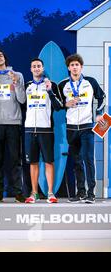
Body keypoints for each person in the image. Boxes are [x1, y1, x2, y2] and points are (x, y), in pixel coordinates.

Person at [58, 54, 106, 204]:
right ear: (68, 68)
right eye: (72, 65)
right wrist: (66, 104)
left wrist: (98, 114)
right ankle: (80, 193)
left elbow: (102, 97)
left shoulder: (90, 82)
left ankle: (91, 193)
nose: (74, 67)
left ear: (81, 67)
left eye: (77, 65)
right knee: (77, 161)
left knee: (88, 159)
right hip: (71, 127)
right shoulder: (63, 85)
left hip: (86, 126)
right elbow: (58, 103)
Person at [0, 48, 26, 203]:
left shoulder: (17, 75)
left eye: (1, 55)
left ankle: (18, 192)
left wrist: (16, 83)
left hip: (13, 122)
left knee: (15, 159)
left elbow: (22, 100)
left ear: (4, 58)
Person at [23, 58, 63, 204]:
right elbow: (22, 104)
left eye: (39, 66)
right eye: (34, 66)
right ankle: (34, 193)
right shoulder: (27, 86)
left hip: (45, 129)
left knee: (48, 161)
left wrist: (50, 91)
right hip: (29, 129)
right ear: (30, 69)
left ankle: (50, 193)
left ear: (43, 68)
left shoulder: (51, 84)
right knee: (32, 162)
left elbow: (59, 106)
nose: (36, 68)